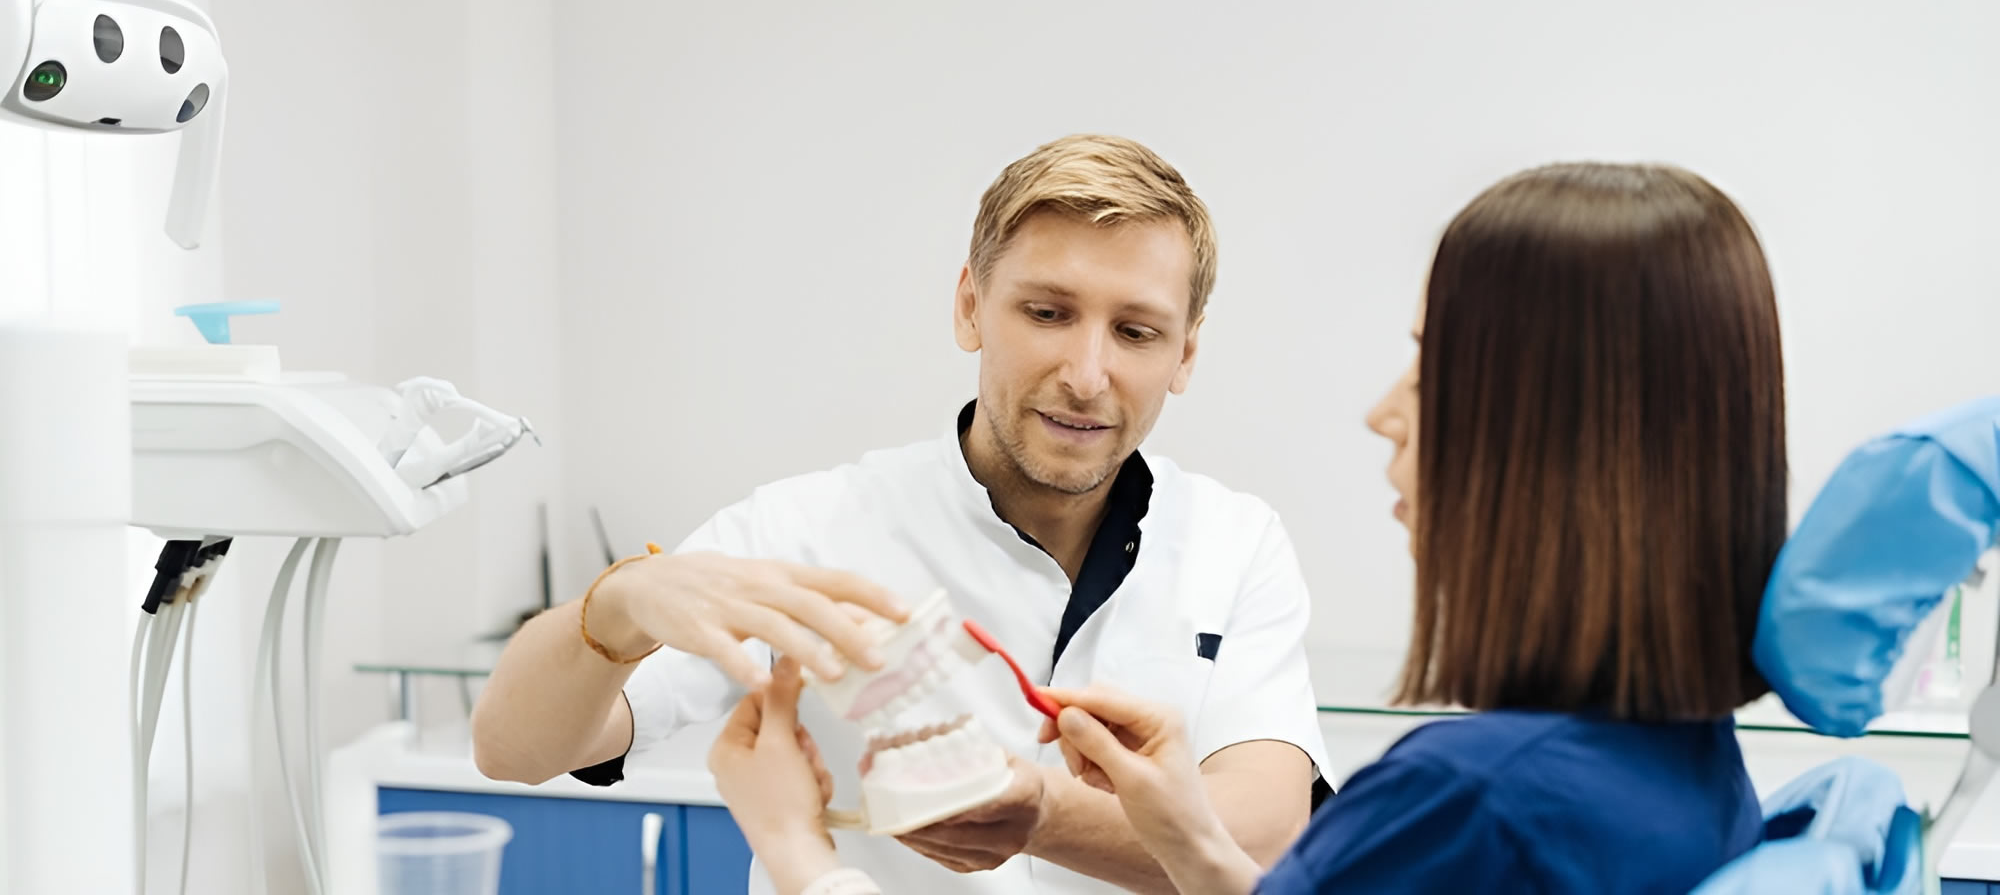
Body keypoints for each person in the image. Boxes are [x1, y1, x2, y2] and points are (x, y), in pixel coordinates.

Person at [708, 160, 1788, 894]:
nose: (1384, 408)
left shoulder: (1467, 802)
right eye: (1045, 310)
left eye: (1434, 361)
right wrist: (1181, 830)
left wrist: (797, 848)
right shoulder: (1683, 768)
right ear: (969, 307)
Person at [470, 133, 1331, 895]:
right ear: (969, 306)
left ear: (1185, 354)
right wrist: (615, 606)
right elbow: (515, 750)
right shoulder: (804, 529)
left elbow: (1262, 845)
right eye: (1047, 313)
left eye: (1137, 332)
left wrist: (1037, 812)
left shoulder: (1236, 541)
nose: (1086, 372)